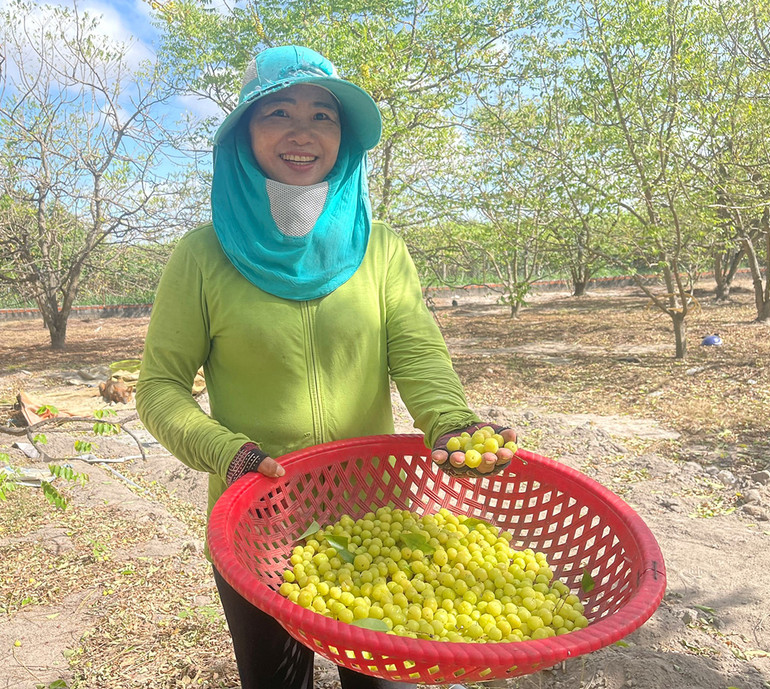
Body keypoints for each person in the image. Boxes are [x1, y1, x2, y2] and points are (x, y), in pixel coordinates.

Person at [136, 45, 515, 689]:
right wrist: (224, 452)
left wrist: (451, 421)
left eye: (324, 116)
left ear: (344, 139)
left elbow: (416, 351)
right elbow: (160, 386)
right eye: (277, 111)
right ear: (243, 136)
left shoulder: (381, 248)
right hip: (258, 520)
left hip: (375, 516)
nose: (302, 131)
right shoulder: (202, 256)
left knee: (378, 681)